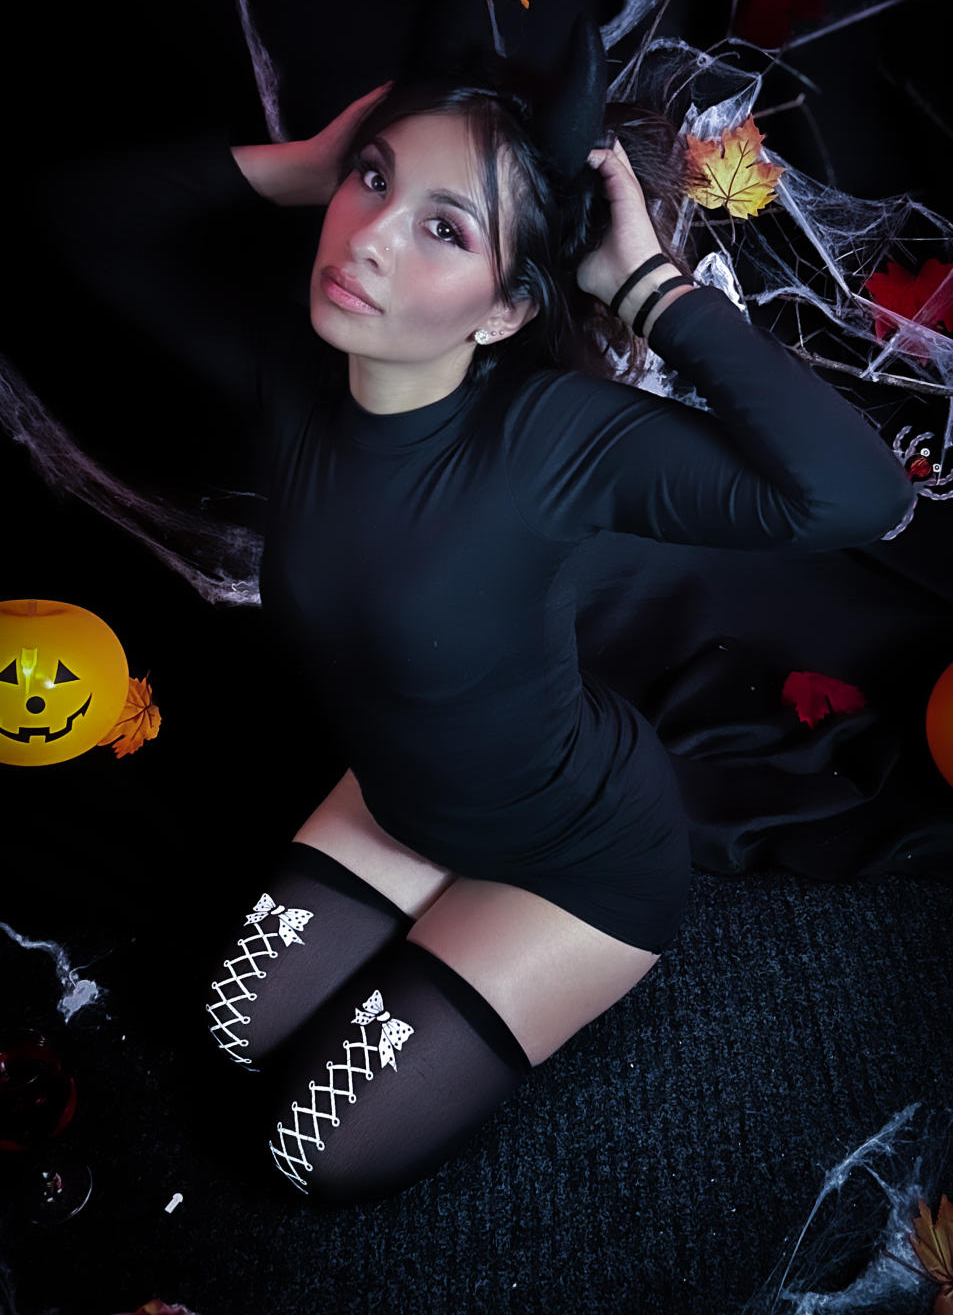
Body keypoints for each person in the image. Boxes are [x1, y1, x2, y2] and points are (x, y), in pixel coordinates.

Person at [41, 68, 914, 1207]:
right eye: (373, 181)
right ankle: (432, 910)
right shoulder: (298, 373)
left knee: (305, 1154)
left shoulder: (551, 436)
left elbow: (858, 496)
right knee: (227, 1031)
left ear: (503, 311)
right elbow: (69, 217)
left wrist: (646, 286)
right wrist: (302, 163)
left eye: (443, 228)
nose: (367, 240)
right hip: (397, 804)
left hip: (575, 858)